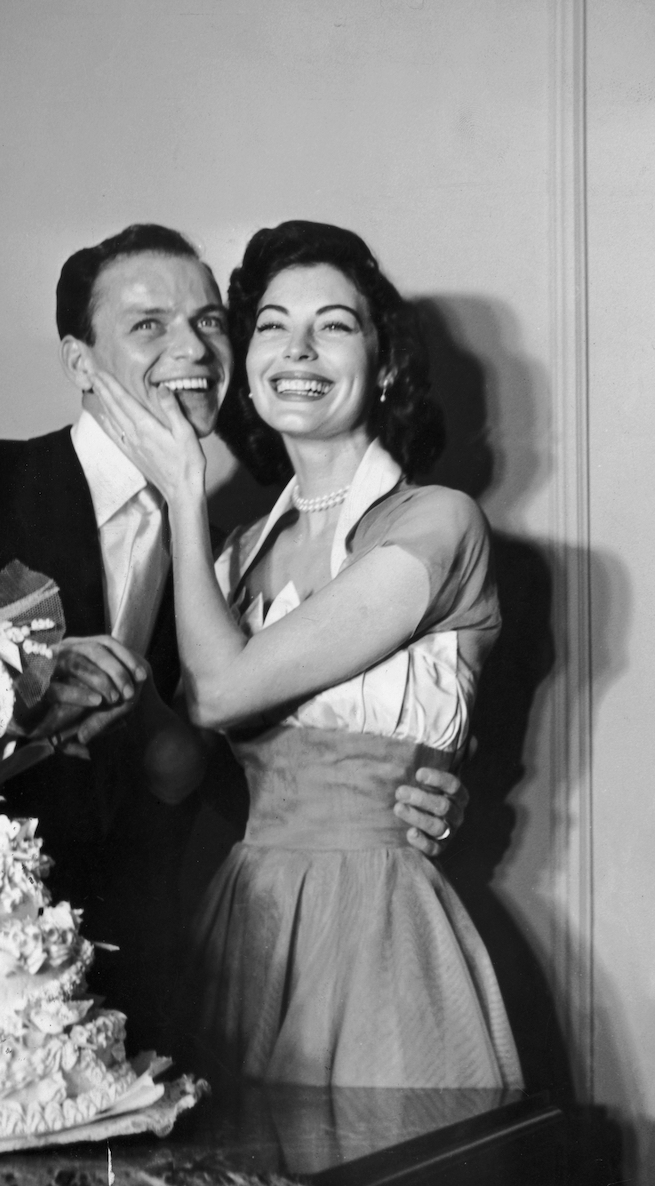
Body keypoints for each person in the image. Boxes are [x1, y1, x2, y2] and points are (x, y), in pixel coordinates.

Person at [0, 223, 469, 1050]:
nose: (194, 348)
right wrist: (10, 704)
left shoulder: (221, 562)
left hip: (148, 1002)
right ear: (80, 363)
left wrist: (414, 789)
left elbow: (232, 775)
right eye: (150, 324)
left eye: (211, 322)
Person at [89, 219, 523, 1087]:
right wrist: (75, 683)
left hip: (378, 924)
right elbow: (178, 768)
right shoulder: (234, 557)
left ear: (385, 361)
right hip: (243, 924)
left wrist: (182, 488)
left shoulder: (437, 521)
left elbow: (222, 695)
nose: (299, 348)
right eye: (273, 325)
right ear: (247, 366)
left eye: (334, 323)